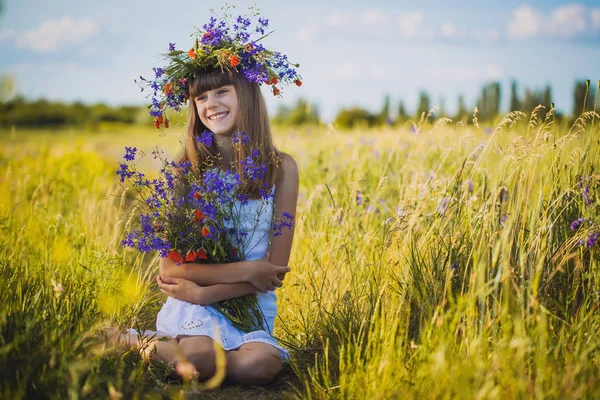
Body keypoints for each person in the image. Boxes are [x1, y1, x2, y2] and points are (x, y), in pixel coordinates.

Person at [103, 12, 300, 385]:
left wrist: (214, 291)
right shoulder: (185, 171)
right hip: (193, 303)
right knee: (198, 359)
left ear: (247, 93)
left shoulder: (282, 168)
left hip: (250, 305)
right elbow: (170, 271)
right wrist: (219, 285)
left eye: (222, 91)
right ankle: (123, 341)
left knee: (262, 366)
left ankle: (149, 346)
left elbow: (273, 272)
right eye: (200, 97)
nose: (211, 104)